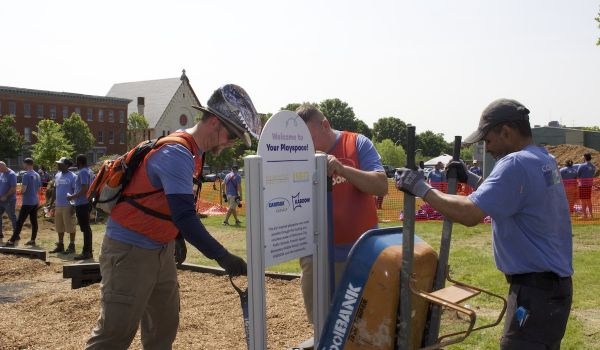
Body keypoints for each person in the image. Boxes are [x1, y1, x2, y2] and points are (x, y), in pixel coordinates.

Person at [85, 84, 261, 349]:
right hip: (129, 251)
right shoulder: (178, 153)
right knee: (114, 335)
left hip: (160, 249)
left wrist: (174, 238)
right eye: (232, 136)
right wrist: (222, 255)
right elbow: (185, 216)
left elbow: (169, 205)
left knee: (163, 329)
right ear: (214, 122)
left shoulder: (194, 152)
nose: (231, 143)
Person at [396, 98, 573, 349]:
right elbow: (511, 196)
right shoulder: (542, 159)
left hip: (535, 293)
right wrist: (471, 178)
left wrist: (420, 188)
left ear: (506, 132)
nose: (486, 148)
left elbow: (471, 214)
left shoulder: (514, 163)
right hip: (551, 290)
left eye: (488, 140)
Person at [295, 103, 387, 323]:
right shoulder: (299, 154)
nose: (308, 146)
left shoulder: (357, 143)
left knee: (357, 325)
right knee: (320, 323)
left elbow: (381, 185)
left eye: (311, 139)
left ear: (325, 125)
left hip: (357, 253)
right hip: (315, 254)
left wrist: (343, 169)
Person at [5, 158, 41, 246]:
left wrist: (19, 191)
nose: (23, 165)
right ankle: (32, 240)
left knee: (19, 222)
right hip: (35, 201)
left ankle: (12, 241)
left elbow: (24, 190)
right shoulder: (37, 174)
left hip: (27, 202)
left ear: (26, 164)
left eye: (24, 164)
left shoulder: (26, 175)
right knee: (34, 221)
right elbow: (39, 189)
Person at [67, 154, 94, 260]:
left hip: (82, 203)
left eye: (76, 161)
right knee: (87, 228)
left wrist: (72, 197)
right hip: (86, 203)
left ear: (79, 161)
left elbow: (84, 189)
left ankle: (86, 252)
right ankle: (88, 251)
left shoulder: (83, 172)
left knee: (86, 229)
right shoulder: (89, 171)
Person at [49, 157, 77, 254]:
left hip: (68, 205)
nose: (58, 165)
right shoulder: (57, 175)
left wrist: (73, 206)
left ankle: (72, 245)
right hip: (58, 205)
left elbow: (75, 192)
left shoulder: (73, 176)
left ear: (66, 165)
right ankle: (60, 245)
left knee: (70, 226)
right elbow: (55, 190)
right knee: (59, 226)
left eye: (60, 164)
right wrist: (51, 203)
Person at [0, 161, 18, 241]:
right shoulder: (2, 173)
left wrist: (6, 196)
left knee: (12, 217)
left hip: (9, 200)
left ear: (2, 167)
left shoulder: (11, 174)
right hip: (1, 200)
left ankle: (16, 234)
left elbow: (13, 188)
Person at [576, 153, 596, 220]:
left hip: (582, 185)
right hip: (589, 184)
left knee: (583, 200)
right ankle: (591, 215)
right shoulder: (593, 166)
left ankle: (584, 215)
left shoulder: (582, 166)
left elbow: (578, 174)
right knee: (588, 199)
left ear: (584, 158)